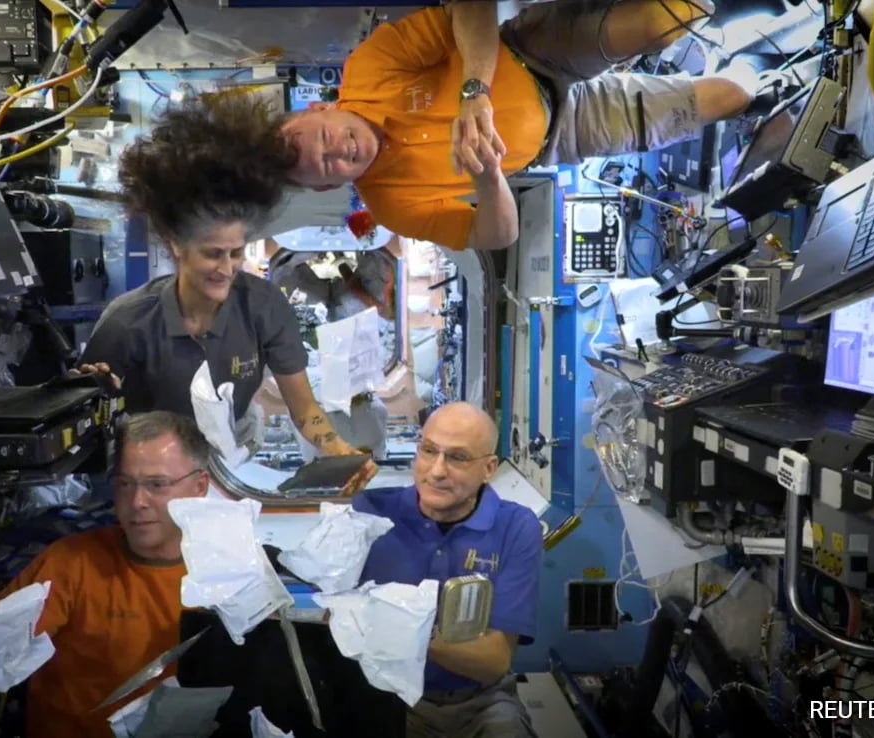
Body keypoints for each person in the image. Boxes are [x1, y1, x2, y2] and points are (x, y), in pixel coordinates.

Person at [281, 0, 759, 251]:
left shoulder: (371, 68)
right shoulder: (392, 208)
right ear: (327, 188)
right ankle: (760, 65)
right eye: (328, 166)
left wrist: (475, 90)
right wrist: (489, 180)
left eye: (325, 137)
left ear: (320, 109)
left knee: (667, 19)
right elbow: (496, 236)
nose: (341, 151)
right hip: (564, 132)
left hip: (532, 52)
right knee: (733, 97)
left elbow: (471, 7)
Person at [78, 94, 376, 491]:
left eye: (236, 253)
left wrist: (340, 452)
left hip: (229, 458)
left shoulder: (265, 306)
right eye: (212, 254)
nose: (226, 269)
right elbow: (90, 425)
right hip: (148, 470)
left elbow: (305, 410)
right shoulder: (128, 323)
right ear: (177, 247)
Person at [0, 412, 213, 738]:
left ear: (199, 487)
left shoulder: (229, 576)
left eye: (157, 484)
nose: (137, 501)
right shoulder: (71, 566)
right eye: (124, 484)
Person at [352, 402, 542, 737]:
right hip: (388, 695)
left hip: (479, 700)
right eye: (428, 451)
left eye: (457, 458)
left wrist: (397, 628)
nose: (437, 471)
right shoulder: (369, 513)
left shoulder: (516, 527)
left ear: (489, 469)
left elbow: (493, 662)